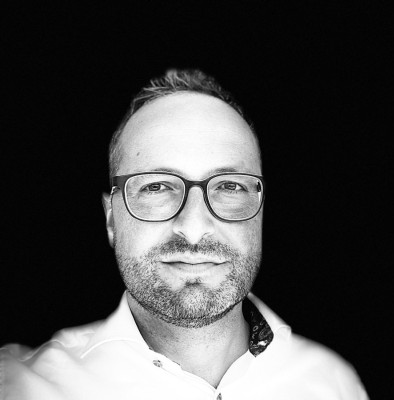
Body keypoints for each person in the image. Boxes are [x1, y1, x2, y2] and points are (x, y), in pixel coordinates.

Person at [0, 69, 368, 399]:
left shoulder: (333, 383)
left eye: (229, 186)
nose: (193, 229)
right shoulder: (21, 389)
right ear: (111, 218)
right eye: (156, 187)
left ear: (260, 212)